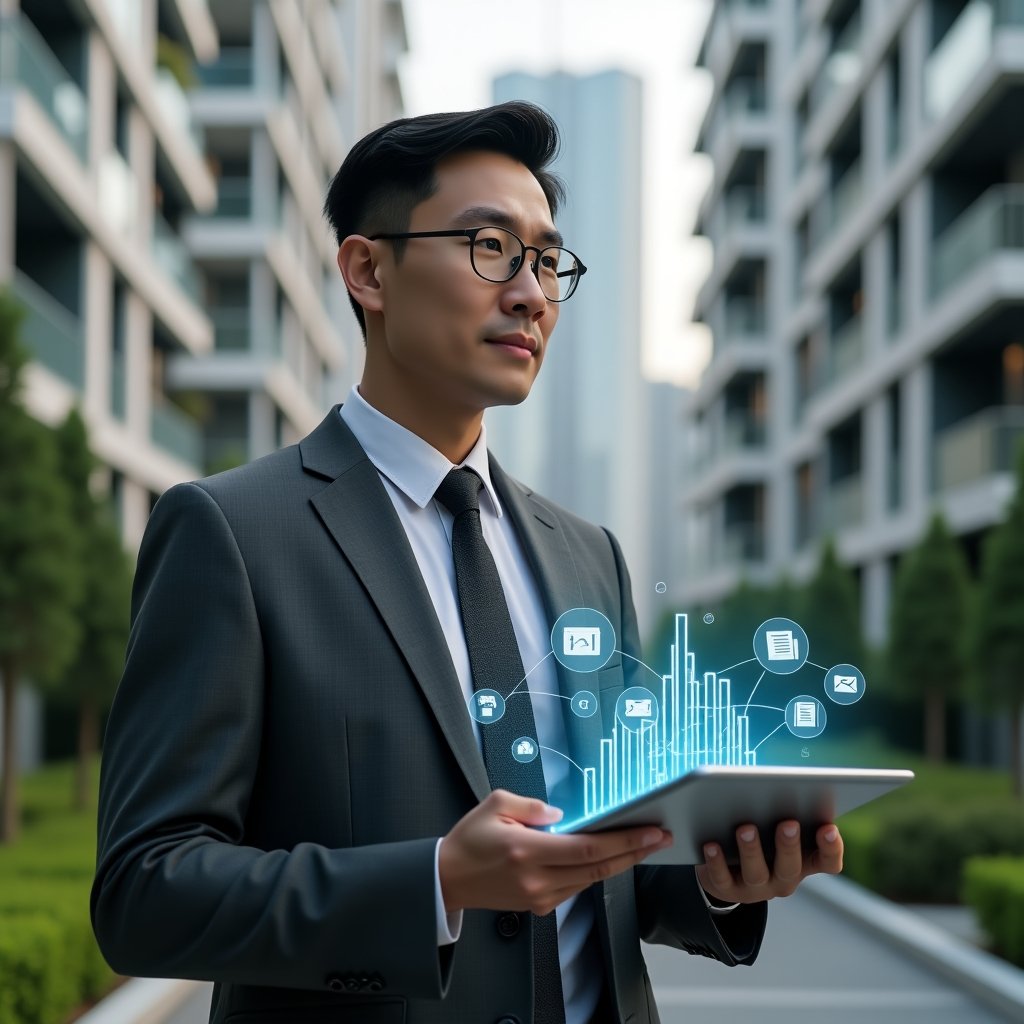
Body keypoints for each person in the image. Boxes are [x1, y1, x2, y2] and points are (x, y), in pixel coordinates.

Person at [91, 101, 844, 1024]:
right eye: (490, 247)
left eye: (546, 260)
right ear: (369, 269)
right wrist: (437, 884)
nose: (531, 292)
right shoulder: (231, 534)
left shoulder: (588, 557)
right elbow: (145, 891)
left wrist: (728, 879)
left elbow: (617, 868)